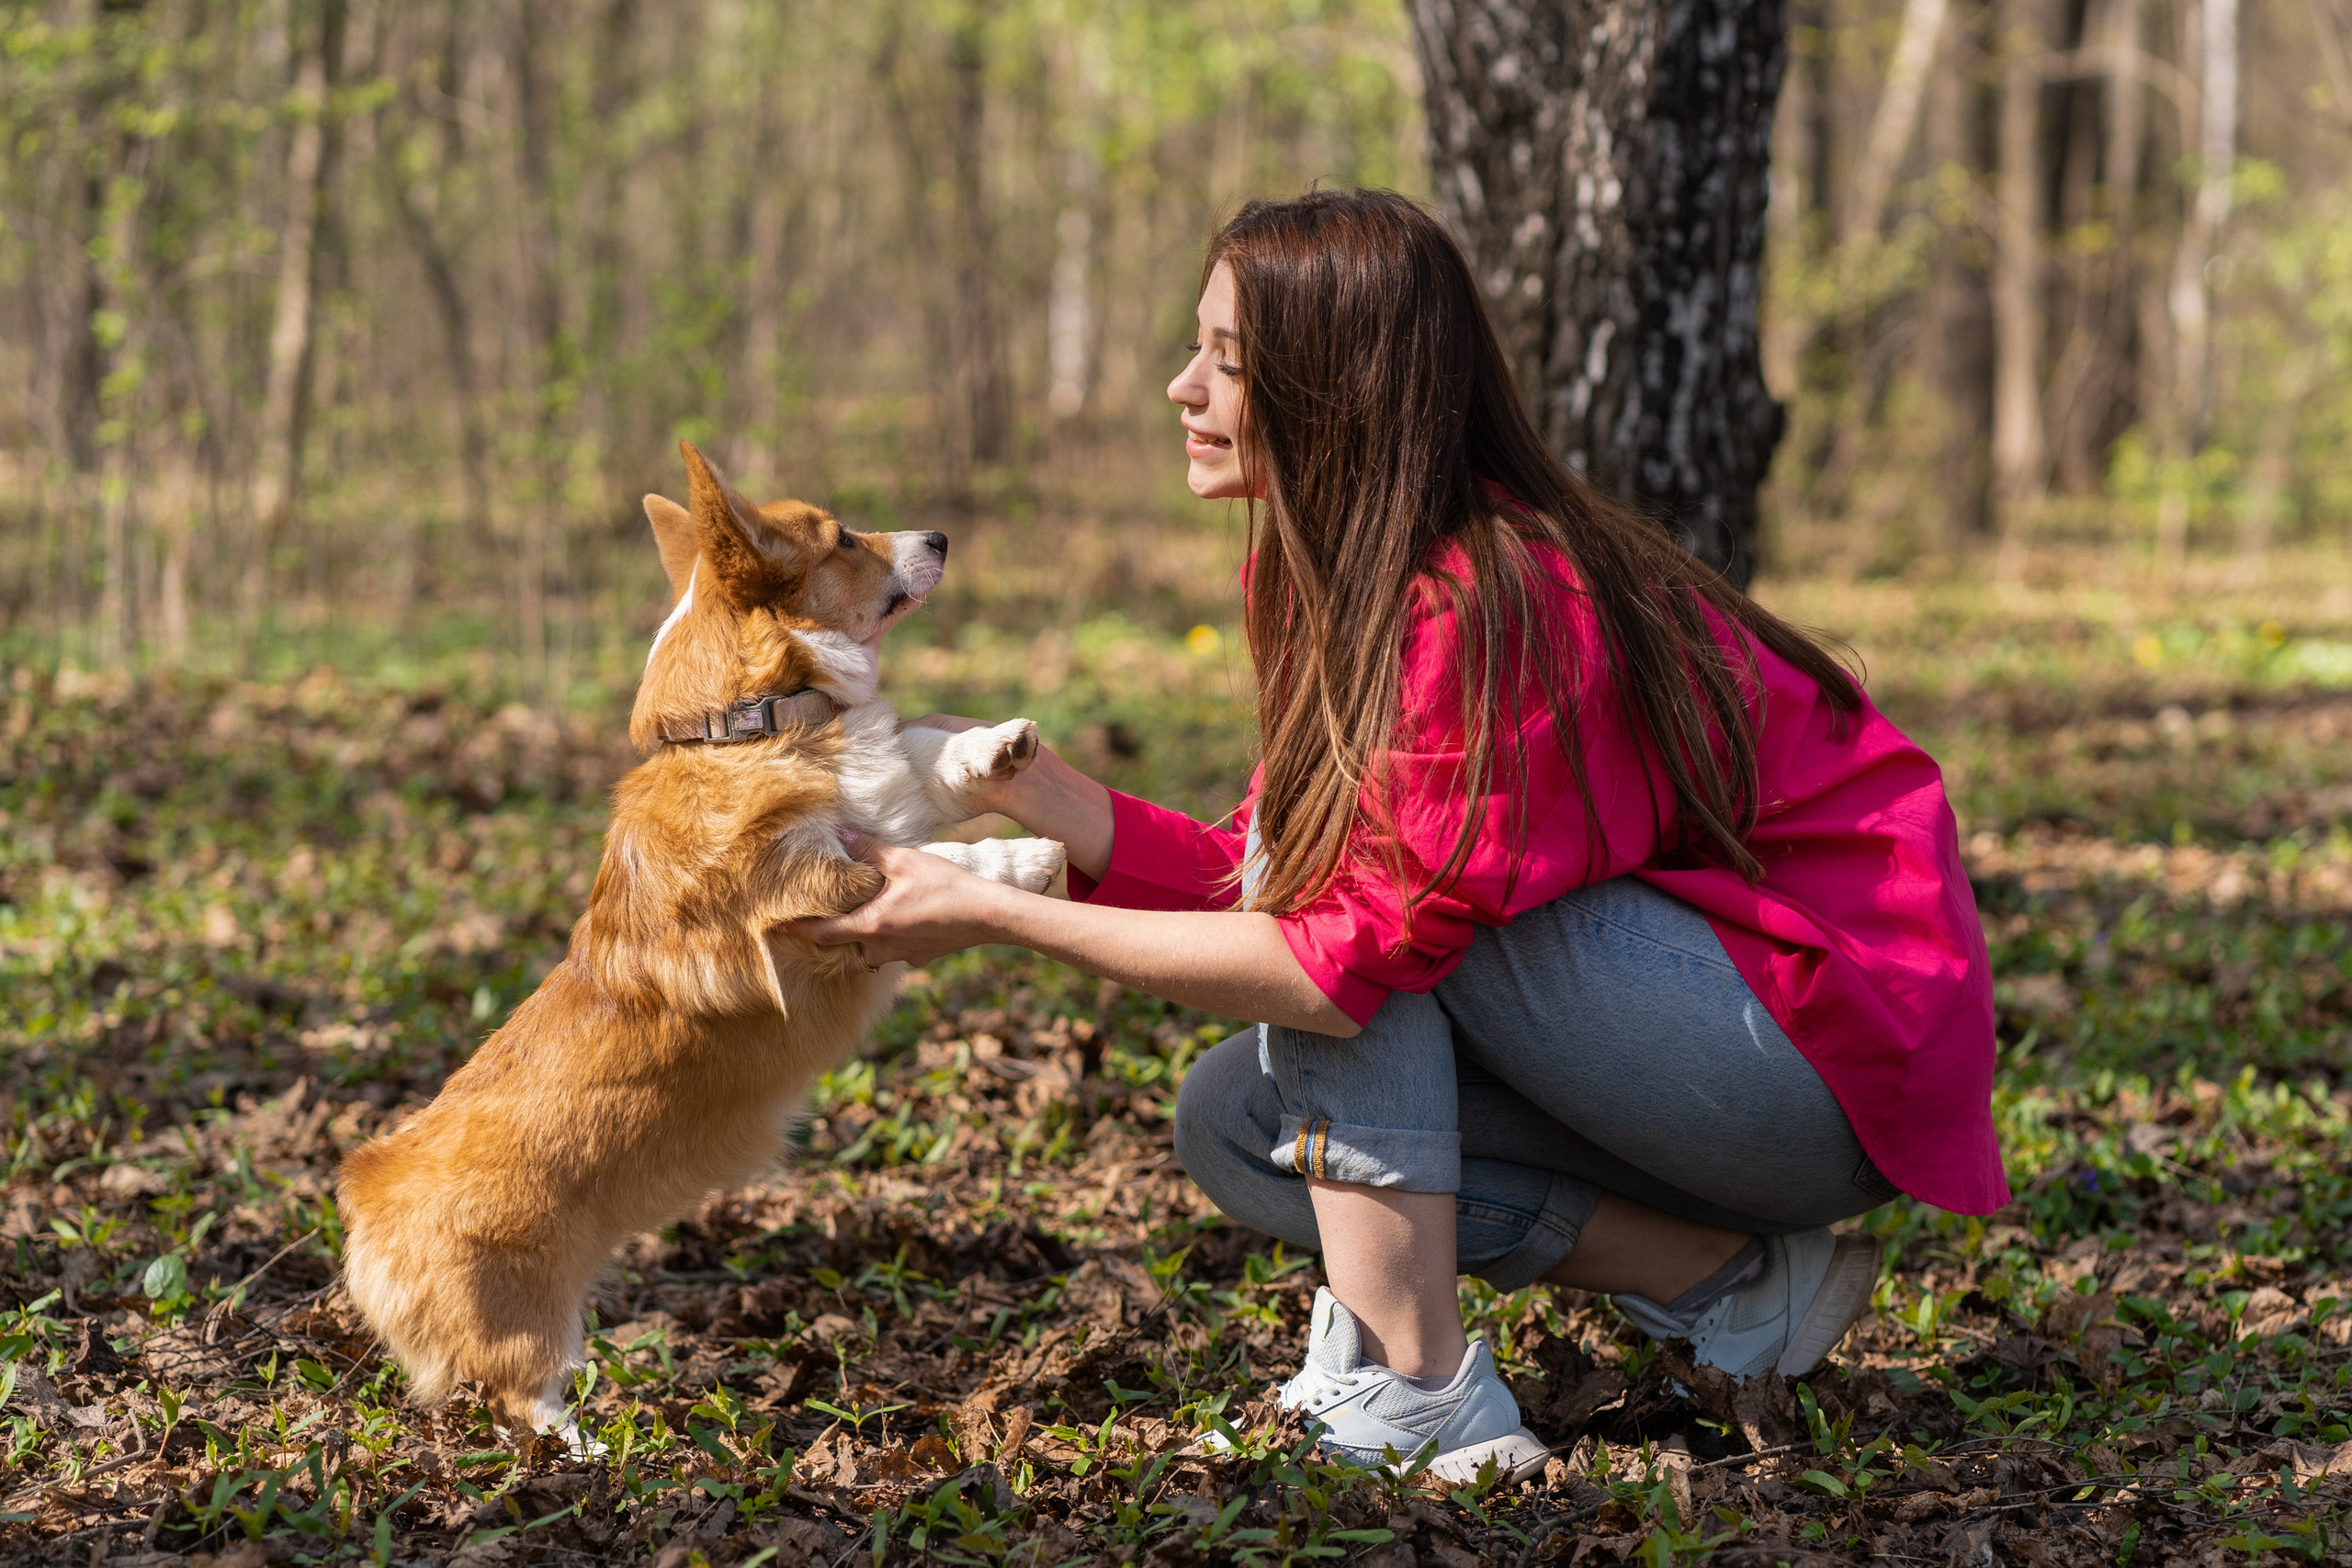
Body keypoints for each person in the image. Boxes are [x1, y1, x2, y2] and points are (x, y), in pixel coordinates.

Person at [789, 189, 2005, 1484]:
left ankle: (1420, 1389)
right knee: (1236, 1123)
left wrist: (995, 911)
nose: (1179, 387)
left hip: (1821, 1058)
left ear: (1337, 391)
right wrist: (1037, 799)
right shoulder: (1346, 568)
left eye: (1228, 362)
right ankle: (1734, 1284)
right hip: (1704, 1044)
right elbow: (1275, 869)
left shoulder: (1488, 601)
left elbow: (1333, 946)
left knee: (1349, 939)